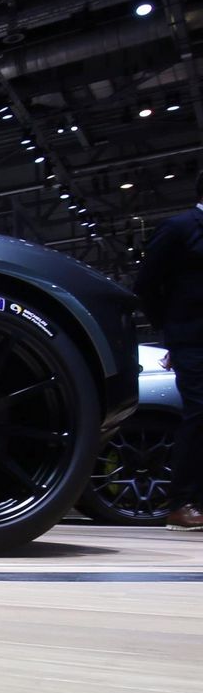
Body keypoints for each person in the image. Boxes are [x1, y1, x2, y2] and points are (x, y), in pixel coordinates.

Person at [133, 171, 203, 531]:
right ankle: (181, 503)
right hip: (192, 338)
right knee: (199, 413)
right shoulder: (179, 228)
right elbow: (146, 283)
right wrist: (172, 332)